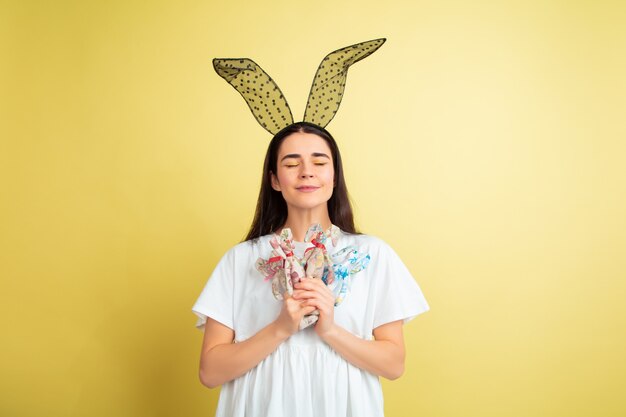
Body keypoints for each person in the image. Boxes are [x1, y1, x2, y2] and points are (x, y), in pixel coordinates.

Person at [192, 121, 430, 417]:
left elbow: (394, 365)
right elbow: (210, 373)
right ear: (275, 180)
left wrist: (329, 329)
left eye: (319, 161)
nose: (307, 171)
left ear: (334, 176)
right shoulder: (241, 259)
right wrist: (280, 328)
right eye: (292, 164)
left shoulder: (372, 254)